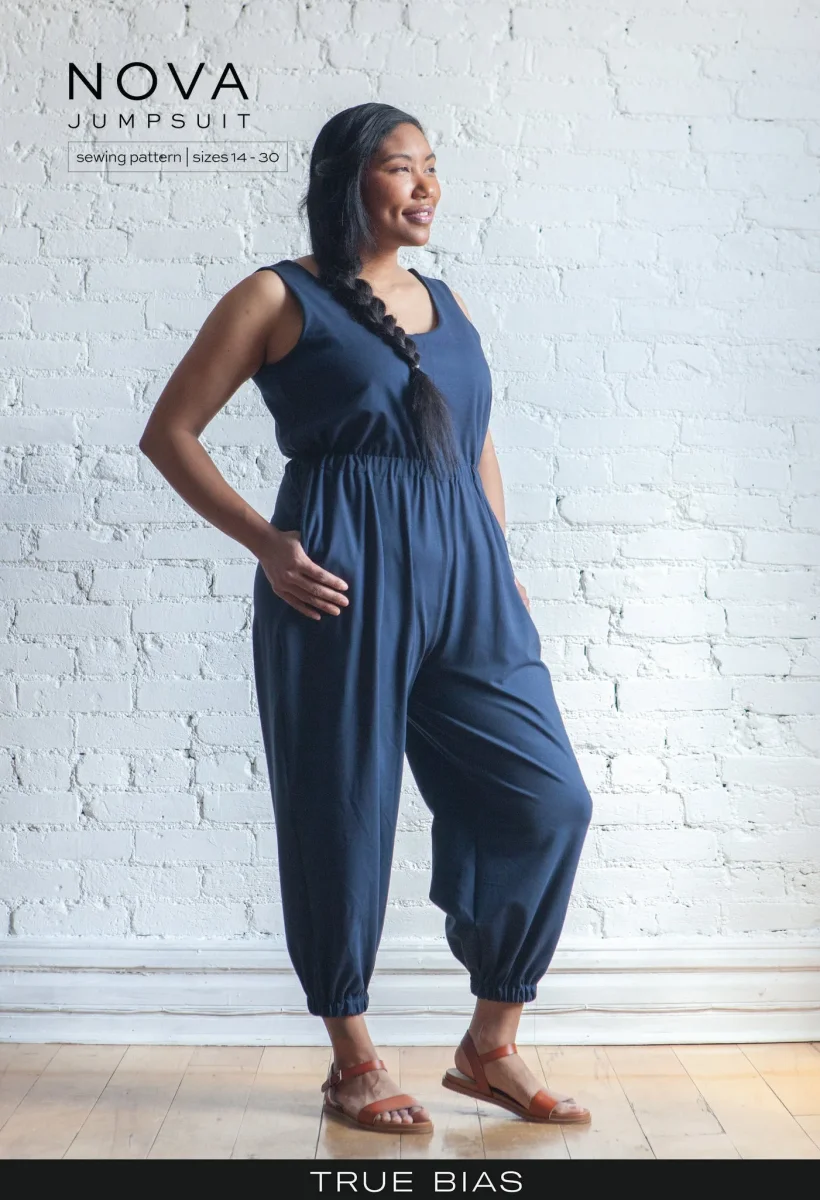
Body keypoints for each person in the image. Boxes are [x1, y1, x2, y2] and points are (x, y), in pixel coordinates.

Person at [140, 102, 593, 1135]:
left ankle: (490, 1046)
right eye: (401, 167)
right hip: (340, 573)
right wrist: (268, 545)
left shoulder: (446, 299)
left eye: (432, 166)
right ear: (349, 180)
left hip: (470, 576)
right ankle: (353, 1059)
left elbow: (474, 441)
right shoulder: (275, 294)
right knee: (340, 808)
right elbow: (170, 433)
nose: (426, 185)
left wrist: (499, 559)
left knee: (546, 800)